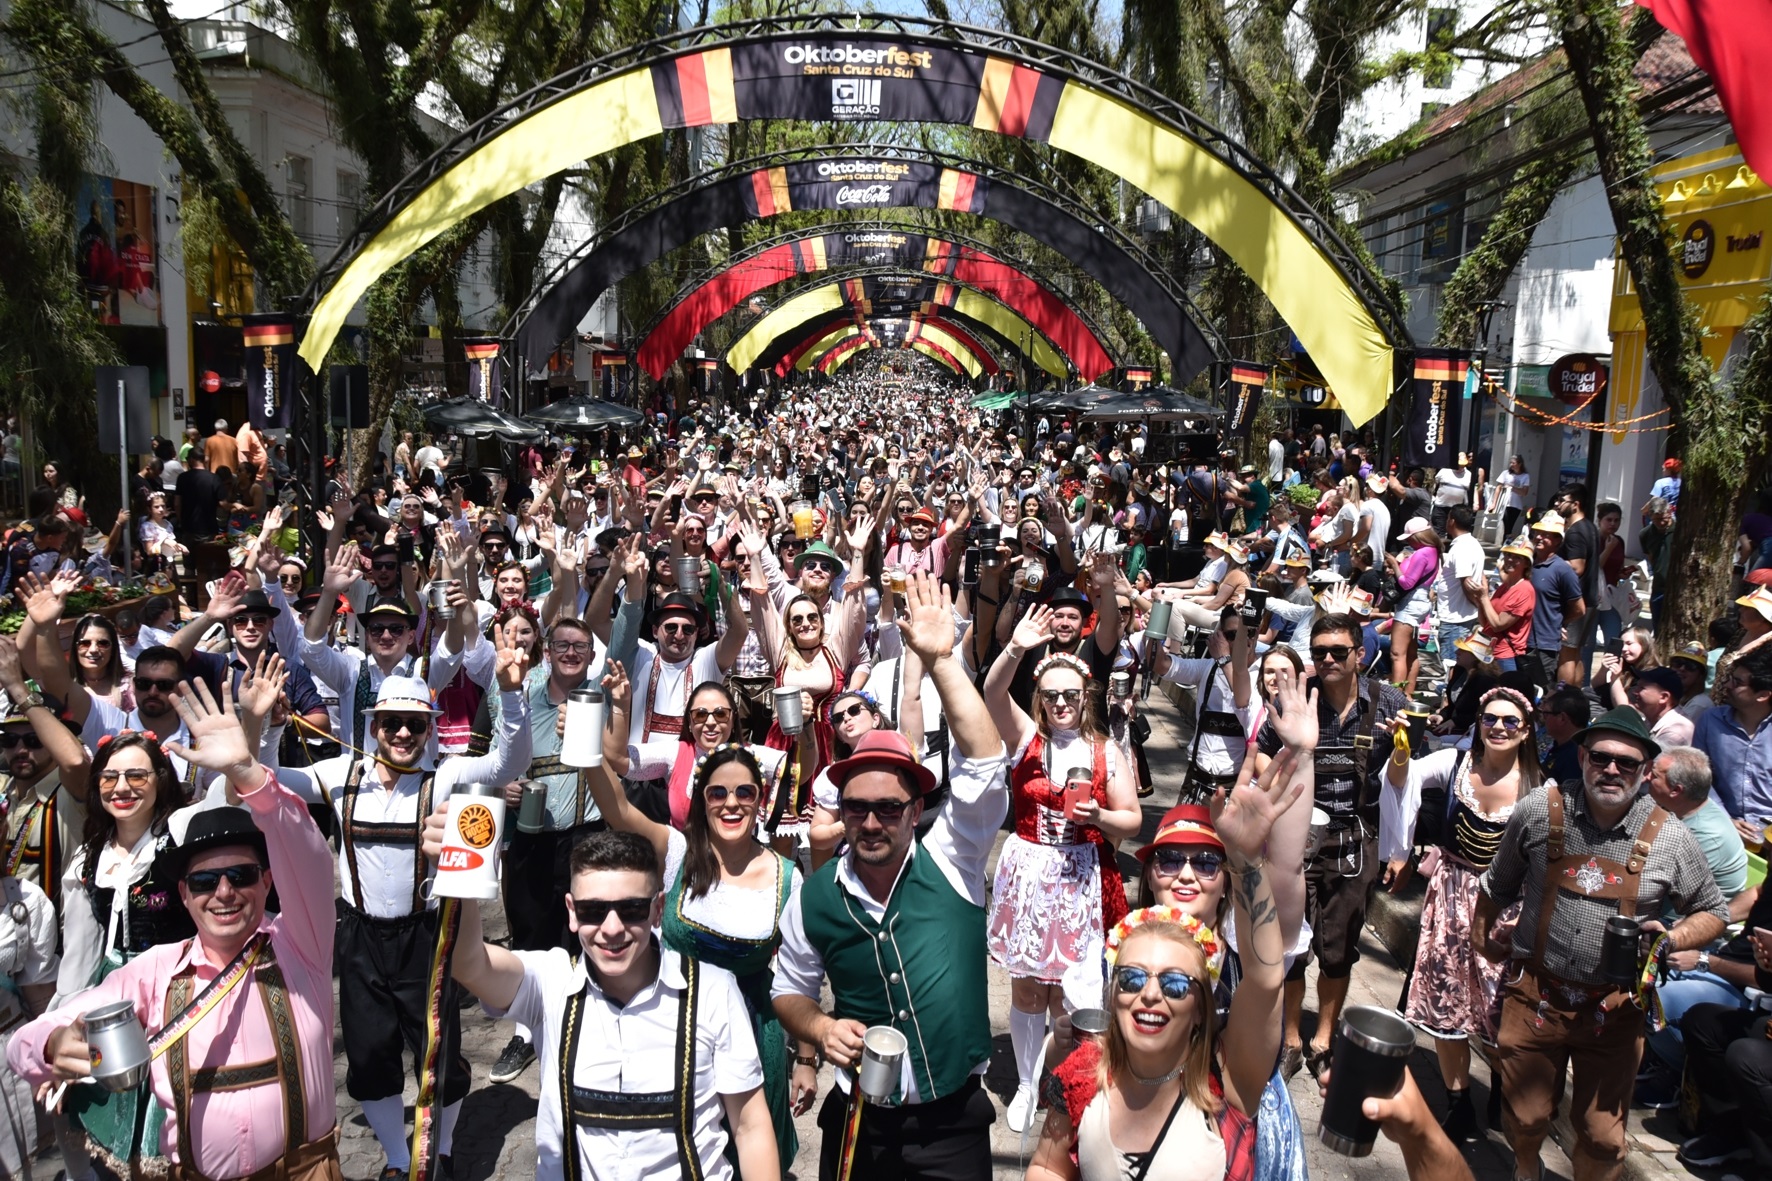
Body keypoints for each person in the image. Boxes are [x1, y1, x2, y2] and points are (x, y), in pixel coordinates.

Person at [7, 678, 343, 1181]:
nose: (225, 891)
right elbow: (28, 1039)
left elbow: (308, 855)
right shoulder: (154, 971)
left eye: (242, 875)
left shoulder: (302, 947)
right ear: (184, 894)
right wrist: (51, 1046)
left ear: (267, 880)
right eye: (205, 881)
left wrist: (248, 768)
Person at [772, 572, 1008, 1181]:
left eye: (889, 808)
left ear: (915, 811)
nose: (872, 821)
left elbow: (984, 763)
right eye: (857, 808)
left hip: (951, 1120)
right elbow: (788, 991)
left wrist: (943, 662)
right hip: (859, 1121)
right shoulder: (813, 897)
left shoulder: (953, 859)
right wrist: (819, 1028)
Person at [283, 654, 530, 1179]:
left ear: (429, 729)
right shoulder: (339, 774)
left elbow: (508, 764)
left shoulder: (445, 777)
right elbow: (266, 781)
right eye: (390, 722)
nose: (401, 733)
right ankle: (398, 1159)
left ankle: (438, 1150)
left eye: (414, 724)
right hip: (359, 936)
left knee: (439, 1052)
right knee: (370, 1056)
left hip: (426, 935)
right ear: (373, 726)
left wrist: (509, 693)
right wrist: (265, 724)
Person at [426, 824, 779, 1179]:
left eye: (631, 909)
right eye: (593, 910)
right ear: (572, 912)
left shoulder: (712, 990)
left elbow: (750, 1126)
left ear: (658, 909)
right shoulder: (551, 982)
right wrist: (458, 870)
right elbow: (469, 964)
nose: (612, 928)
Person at [1474, 706, 1728, 1181]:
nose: (1611, 769)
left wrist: (1673, 936)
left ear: (1645, 770)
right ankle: (1525, 1167)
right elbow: (1497, 884)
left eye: (1626, 763)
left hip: (1615, 1010)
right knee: (1526, 1116)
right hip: (1536, 997)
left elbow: (1713, 909)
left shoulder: (1670, 836)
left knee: (1603, 1138)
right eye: (1600, 757)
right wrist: (1479, 938)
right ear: (1583, 756)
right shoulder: (1538, 810)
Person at [581, 689, 816, 1169]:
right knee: (679, 1148)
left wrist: (807, 1059)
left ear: (759, 800)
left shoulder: (787, 877)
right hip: (674, 1023)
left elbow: (800, 976)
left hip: (755, 1031)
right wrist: (586, 750)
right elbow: (620, 812)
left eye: (744, 792)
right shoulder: (677, 855)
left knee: (752, 1146)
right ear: (702, 800)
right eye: (718, 792)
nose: (731, 804)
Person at [982, 609, 1140, 1132]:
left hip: (1079, 877)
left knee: (1073, 994)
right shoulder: (1026, 736)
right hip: (1028, 870)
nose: (1061, 704)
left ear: (1085, 696)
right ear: (1040, 700)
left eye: (1070, 694)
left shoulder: (1105, 750)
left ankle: (1064, 1082)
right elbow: (990, 693)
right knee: (1028, 988)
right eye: (1051, 695)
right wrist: (1015, 649)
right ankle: (1027, 1083)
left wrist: (1100, 816)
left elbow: (1133, 820)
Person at [1381, 685, 1539, 1141]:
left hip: (1506, 907)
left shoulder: (1538, 789)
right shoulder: (1453, 763)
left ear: (1526, 732)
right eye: (1491, 718)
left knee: (1499, 1009)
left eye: (1511, 721)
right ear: (1478, 723)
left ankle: (1501, 1091)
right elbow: (1402, 779)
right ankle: (1458, 1100)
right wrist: (1399, 751)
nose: (1499, 728)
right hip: (1449, 896)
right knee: (1444, 1003)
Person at [1256, 612, 1407, 1078]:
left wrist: (1400, 749)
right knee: (1292, 944)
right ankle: (1291, 1038)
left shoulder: (1387, 701)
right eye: (1319, 652)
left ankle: (1325, 1034)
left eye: (1338, 651)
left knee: (1338, 946)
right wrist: (1284, 764)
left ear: (1359, 654)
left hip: (1355, 838)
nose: (1327, 659)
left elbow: (1404, 779)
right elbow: (1261, 750)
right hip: (1297, 838)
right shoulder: (1297, 698)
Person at [1691, 649, 1772, 842]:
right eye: (1730, 678)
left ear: (1762, 695)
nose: (1727, 685)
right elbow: (1700, 775)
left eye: (1737, 682)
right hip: (1722, 831)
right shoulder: (1711, 721)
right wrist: (1724, 819)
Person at [1522, 512, 1584, 690]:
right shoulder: (1527, 562)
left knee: (1541, 693)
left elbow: (1579, 608)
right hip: (1520, 640)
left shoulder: (1562, 570)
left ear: (1557, 540)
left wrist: (1559, 623)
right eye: (1537, 533)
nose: (1539, 537)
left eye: (1546, 535)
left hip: (1544, 645)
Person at [1386, 519, 1441, 696]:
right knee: (1411, 652)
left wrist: (1395, 564)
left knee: (1397, 653)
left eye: (1410, 538)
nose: (1408, 541)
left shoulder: (1421, 553)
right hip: (1422, 602)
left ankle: (1397, 696)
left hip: (1410, 604)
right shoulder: (1434, 551)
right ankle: (1407, 693)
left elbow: (1407, 583)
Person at [1470, 542, 1535, 672]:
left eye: (1517, 557)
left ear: (1527, 564)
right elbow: (1486, 623)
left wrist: (1484, 598)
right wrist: (1480, 601)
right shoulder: (1504, 587)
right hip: (1488, 652)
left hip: (1506, 657)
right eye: (1508, 555)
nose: (1510, 559)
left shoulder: (1524, 591)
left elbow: (1498, 625)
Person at [1630, 666, 1694, 747]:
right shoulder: (1652, 719)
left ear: (1664, 697)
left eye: (1641, 688)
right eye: (1636, 686)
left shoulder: (1674, 734)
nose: (1634, 692)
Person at [1495, 456, 1530, 540]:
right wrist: (1494, 503)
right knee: (1506, 523)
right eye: (1510, 463)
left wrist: (1512, 487)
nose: (1511, 465)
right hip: (1504, 503)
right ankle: (1506, 542)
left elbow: (1524, 492)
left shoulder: (1525, 476)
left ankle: (1506, 542)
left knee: (1510, 525)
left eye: (1513, 463)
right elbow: (1498, 488)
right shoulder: (1505, 473)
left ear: (1520, 464)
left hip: (1516, 505)